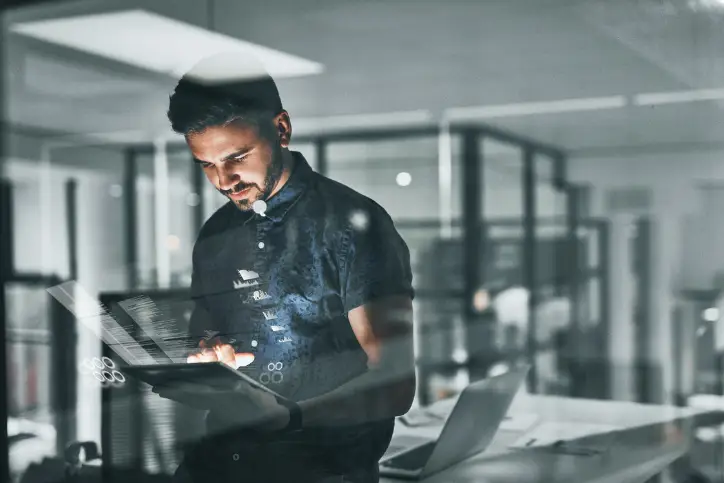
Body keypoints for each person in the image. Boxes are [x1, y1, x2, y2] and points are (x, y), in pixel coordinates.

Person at [156, 54, 416, 483]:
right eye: (207, 164)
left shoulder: (353, 226)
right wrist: (207, 354)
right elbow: (205, 334)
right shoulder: (216, 235)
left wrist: (290, 415)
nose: (224, 180)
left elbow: (394, 382)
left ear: (281, 129)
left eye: (237, 156)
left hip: (326, 471)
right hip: (221, 462)